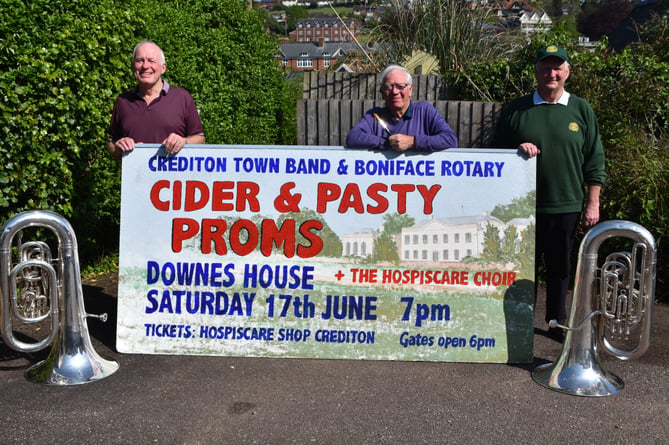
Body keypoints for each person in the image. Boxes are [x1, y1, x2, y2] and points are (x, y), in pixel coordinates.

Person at [493, 45, 606, 342]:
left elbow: (595, 159)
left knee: (559, 269)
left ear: (567, 71)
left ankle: (556, 320)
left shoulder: (581, 109)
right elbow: (492, 154)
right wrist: (516, 150)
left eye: (557, 68)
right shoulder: (517, 109)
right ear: (536, 71)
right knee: (520, 268)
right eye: (545, 67)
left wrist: (592, 202)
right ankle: (518, 322)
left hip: (565, 204)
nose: (551, 73)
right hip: (521, 207)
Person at [107, 41, 205, 160]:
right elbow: (111, 143)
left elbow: (200, 139)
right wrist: (118, 147)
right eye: (140, 60)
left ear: (163, 68)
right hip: (136, 177)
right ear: (133, 67)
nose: (145, 66)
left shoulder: (182, 98)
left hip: (173, 177)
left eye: (151, 61)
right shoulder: (123, 101)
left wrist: (184, 141)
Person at [345, 65, 458, 151]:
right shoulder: (374, 116)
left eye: (400, 86)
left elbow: (450, 140)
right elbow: (352, 137)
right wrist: (387, 143)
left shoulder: (425, 111)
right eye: (389, 87)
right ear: (382, 93)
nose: (395, 92)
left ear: (410, 90)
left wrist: (412, 142)